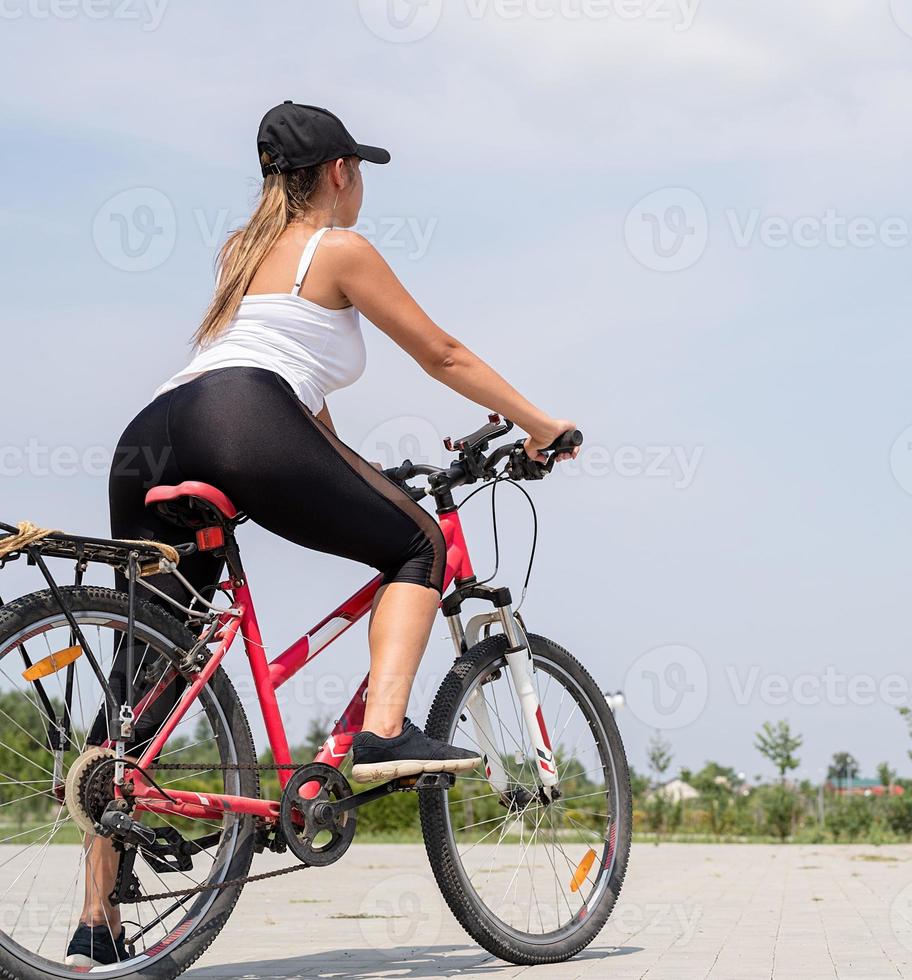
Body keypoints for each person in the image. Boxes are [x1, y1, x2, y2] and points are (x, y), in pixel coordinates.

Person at [67, 100, 579, 968]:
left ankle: (93, 923)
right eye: (360, 169)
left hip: (154, 433)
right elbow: (442, 353)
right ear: (339, 172)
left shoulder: (241, 253)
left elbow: (304, 411)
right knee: (418, 543)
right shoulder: (337, 248)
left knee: (143, 681)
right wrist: (538, 423)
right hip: (243, 420)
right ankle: (382, 734)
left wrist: (366, 476)